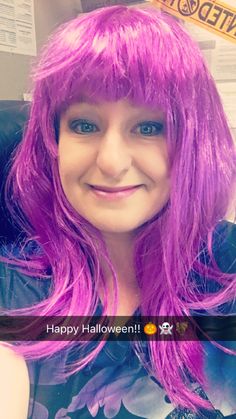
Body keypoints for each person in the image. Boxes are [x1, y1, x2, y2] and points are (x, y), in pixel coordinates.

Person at [0, 4, 235, 419]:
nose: (110, 162)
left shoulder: (228, 270)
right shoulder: (14, 293)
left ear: (193, 142)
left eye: (148, 127)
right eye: (84, 125)